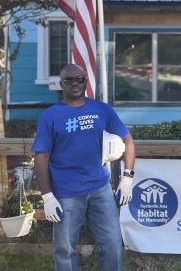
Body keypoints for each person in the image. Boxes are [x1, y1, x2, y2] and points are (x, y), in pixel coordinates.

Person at [33, 64, 136, 271]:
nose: (75, 84)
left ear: (85, 82)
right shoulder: (50, 115)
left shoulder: (101, 109)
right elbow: (41, 156)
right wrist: (47, 197)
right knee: (65, 249)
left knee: (113, 243)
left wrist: (127, 177)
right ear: (61, 84)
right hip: (66, 192)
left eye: (79, 79)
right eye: (69, 80)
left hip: (100, 188)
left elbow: (128, 141)